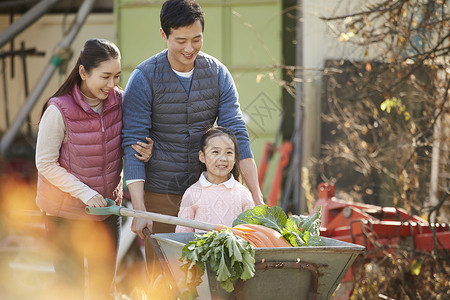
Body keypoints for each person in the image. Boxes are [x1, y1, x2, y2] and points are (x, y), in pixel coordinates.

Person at [122, 0, 263, 240]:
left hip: (212, 195)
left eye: (196, 39)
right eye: (181, 40)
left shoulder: (218, 73)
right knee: (164, 272)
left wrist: (258, 200)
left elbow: (238, 136)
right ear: (164, 36)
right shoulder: (143, 78)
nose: (189, 48)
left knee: (215, 272)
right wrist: (139, 208)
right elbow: (133, 144)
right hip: (160, 195)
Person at [35, 38, 152, 300]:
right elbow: (44, 163)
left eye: (117, 76)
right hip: (63, 215)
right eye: (105, 76)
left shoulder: (121, 101)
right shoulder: (58, 110)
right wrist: (85, 193)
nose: (112, 85)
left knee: (102, 291)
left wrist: (146, 150)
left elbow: (131, 141)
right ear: (83, 72)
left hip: (106, 211)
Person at [175, 126, 254, 232]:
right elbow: (182, 235)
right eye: (215, 152)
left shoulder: (243, 194)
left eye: (229, 153)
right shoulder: (192, 193)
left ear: (235, 158)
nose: (223, 158)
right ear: (202, 156)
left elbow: (252, 235)